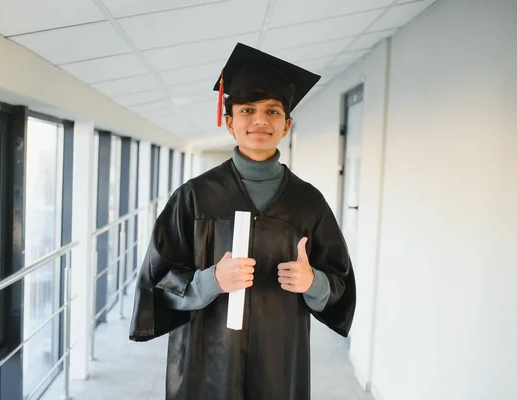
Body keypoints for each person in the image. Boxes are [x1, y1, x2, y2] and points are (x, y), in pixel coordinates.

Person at [130, 43, 356, 400]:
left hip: (280, 355)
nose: (260, 120)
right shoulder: (195, 196)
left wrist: (314, 282)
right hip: (207, 354)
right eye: (248, 110)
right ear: (231, 122)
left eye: (273, 111)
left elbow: (340, 283)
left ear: (287, 125)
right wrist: (210, 281)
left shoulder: (308, 202)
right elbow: (157, 279)